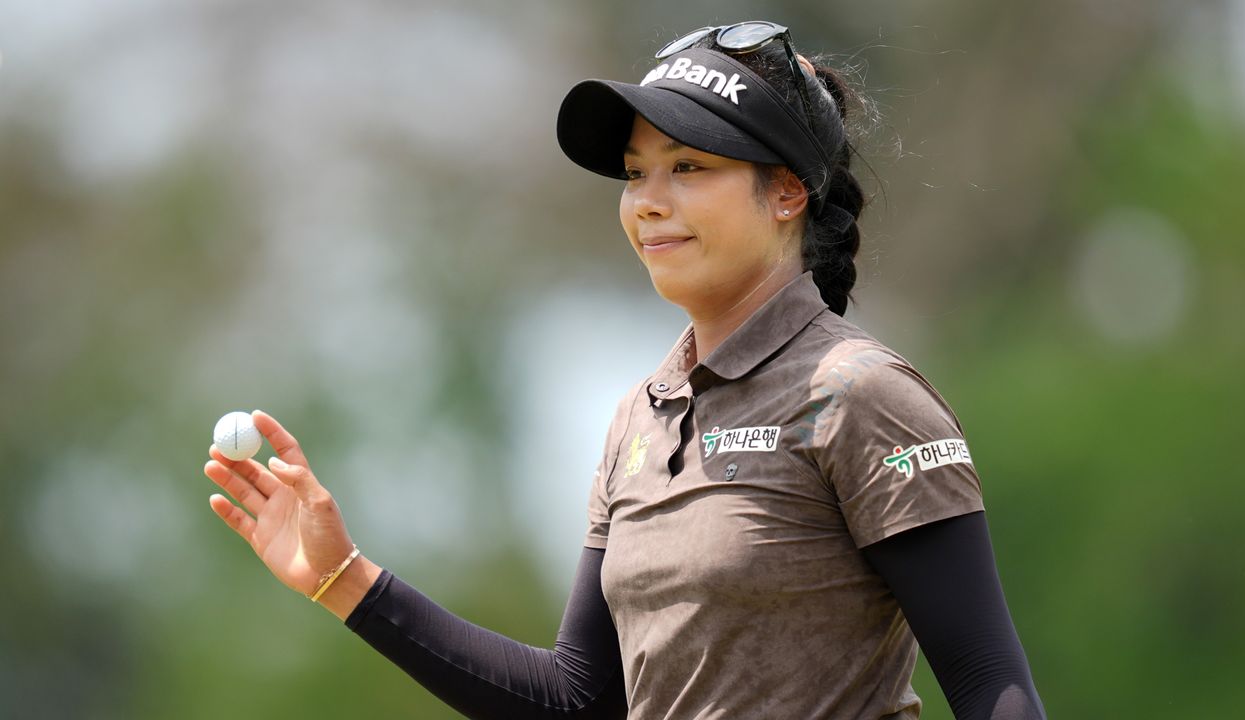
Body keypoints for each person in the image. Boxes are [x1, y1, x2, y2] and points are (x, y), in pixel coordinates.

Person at [203, 20, 1047, 720]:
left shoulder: (861, 396)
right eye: (637, 173)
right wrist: (347, 581)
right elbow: (578, 700)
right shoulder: (638, 420)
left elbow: (988, 684)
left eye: (689, 168)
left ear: (787, 192)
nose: (648, 201)